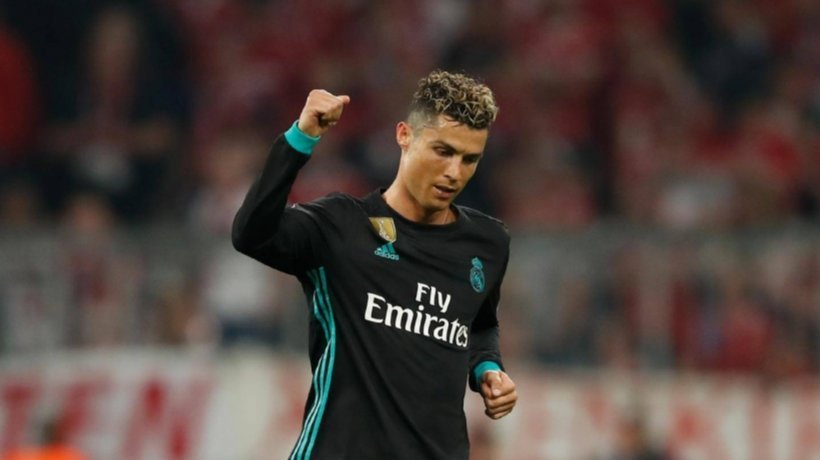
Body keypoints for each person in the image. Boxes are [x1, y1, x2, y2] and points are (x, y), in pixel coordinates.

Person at [232, 70, 517, 459]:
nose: (455, 172)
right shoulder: (341, 227)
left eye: (470, 159)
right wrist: (300, 138)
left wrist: (487, 368)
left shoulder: (488, 244)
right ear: (404, 135)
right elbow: (251, 234)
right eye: (443, 151)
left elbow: (480, 322)